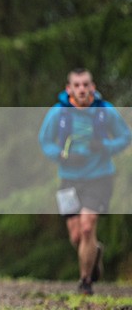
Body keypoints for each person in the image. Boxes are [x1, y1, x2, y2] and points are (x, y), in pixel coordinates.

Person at [38, 68, 131, 295]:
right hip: (69, 179)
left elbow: (125, 136)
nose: (82, 89)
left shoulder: (105, 111)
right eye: (77, 85)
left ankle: (85, 281)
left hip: (99, 177)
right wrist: (61, 155)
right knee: (76, 236)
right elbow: (45, 141)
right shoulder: (58, 113)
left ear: (93, 87)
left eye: (86, 84)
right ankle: (95, 252)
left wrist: (105, 147)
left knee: (88, 227)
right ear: (69, 88)